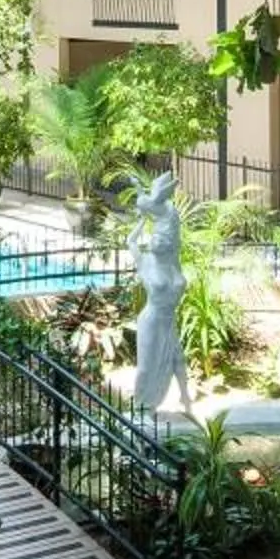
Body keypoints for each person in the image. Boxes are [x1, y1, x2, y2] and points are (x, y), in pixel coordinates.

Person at [130, 172, 189, 415]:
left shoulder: (174, 265)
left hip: (168, 319)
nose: (158, 241)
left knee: (177, 360)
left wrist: (149, 205)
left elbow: (169, 221)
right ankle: (139, 406)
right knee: (145, 368)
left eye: (162, 239)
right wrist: (141, 223)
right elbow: (131, 242)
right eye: (156, 239)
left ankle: (186, 399)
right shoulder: (145, 262)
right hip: (152, 320)